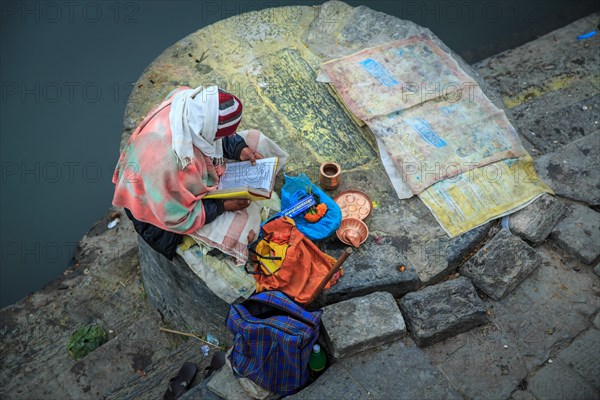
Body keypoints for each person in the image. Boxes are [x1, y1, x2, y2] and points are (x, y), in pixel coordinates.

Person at [112, 85, 287, 261]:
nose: (223, 138)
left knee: (258, 141)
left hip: (174, 176)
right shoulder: (171, 163)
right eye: (220, 136)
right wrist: (222, 206)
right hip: (160, 216)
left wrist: (238, 148)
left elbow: (212, 128)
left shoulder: (189, 100)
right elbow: (176, 217)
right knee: (244, 227)